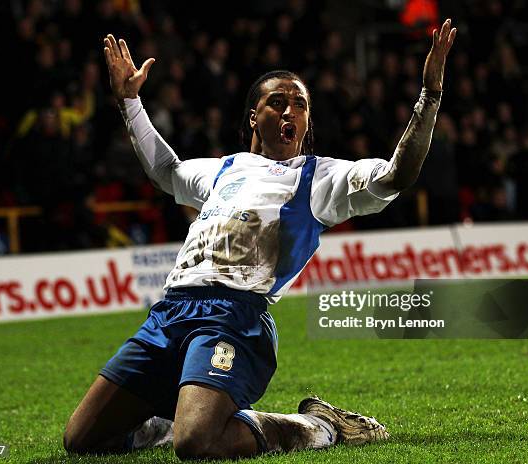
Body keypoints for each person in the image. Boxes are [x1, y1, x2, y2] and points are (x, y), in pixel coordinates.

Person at [63, 19, 456, 459]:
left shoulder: (320, 178)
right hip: (169, 313)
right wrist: (130, 102)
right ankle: (165, 424)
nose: (291, 111)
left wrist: (430, 96)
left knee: (198, 444)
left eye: (301, 105)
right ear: (255, 116)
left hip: (235, 318)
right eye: (278, 102)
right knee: (81, 440)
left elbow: (395, 175)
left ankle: (317, 425)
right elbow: (167, 172)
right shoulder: (222, 169)